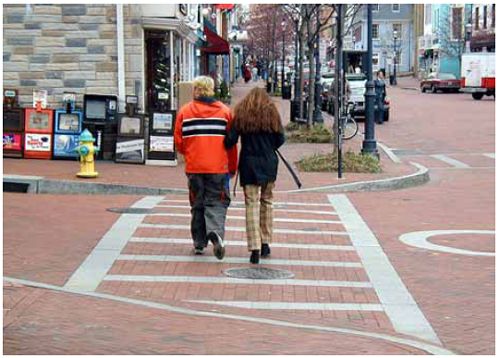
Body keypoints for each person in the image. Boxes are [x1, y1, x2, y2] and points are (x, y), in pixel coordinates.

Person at [174, 76, 238, 259]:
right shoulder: (225, 113)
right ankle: (216, 232)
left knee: (197, 204)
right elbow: (231, 144)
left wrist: (191, 153)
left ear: (195, 90)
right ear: (212, 89)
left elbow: (179, 142)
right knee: (217, 201)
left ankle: (199, 243)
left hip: (194, 167)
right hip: (218, 167)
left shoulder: (184, 112)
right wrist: (232, 167)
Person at [224, 88, 285, 264]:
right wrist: (269, 145)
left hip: (249, 163)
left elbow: (230, 140)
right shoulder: (272, 113)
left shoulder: (242, 113)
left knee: (251, 204)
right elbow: (280, 139)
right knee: (267, 201)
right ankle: (266, 242)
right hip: (269, 162)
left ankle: (254, 247)